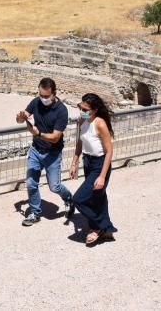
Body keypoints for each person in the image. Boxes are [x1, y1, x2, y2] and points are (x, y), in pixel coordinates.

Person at [16, 77, 74, 227]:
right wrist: (20, 117)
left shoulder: (61, 111)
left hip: (52, 154)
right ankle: (35, 212)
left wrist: (38, 134)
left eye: (46, 96)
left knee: (55, 187)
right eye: (41, 95)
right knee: (30, 183)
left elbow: (55, 138)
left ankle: (69, 199)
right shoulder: (36, 102)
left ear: (54, 94)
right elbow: (21, 120)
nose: (43, 99)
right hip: (36, 150)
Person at [69, 93, 118, 245]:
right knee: (98, 197)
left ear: (95, 110)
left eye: (86, 109)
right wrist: (74, 162)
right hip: (87, 162)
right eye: (80, 107)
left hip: (100, 164)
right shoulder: (82, 120)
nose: (82, 111)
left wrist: (102, 176)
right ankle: (105, 229)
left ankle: (98, 227)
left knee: (78, 199)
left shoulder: (100, 124)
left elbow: (109, 151)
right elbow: (80, 142)